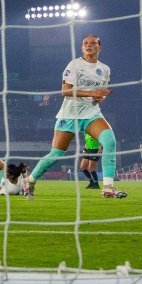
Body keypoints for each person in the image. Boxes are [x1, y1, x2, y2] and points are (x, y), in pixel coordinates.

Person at [25, 34, 125, 199]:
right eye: (85, 43)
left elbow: (101, 93)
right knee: (56, 155)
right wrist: (92, 92)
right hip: (70, 114)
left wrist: (100, 97)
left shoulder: (105, 69)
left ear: (99, 48)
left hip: (91, 113)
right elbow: (66, 91)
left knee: (110, 141)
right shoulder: (75, 65)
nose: (88, 45)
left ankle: (108, 187)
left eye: (92, 43)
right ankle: (30, 180)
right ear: (82, 47)